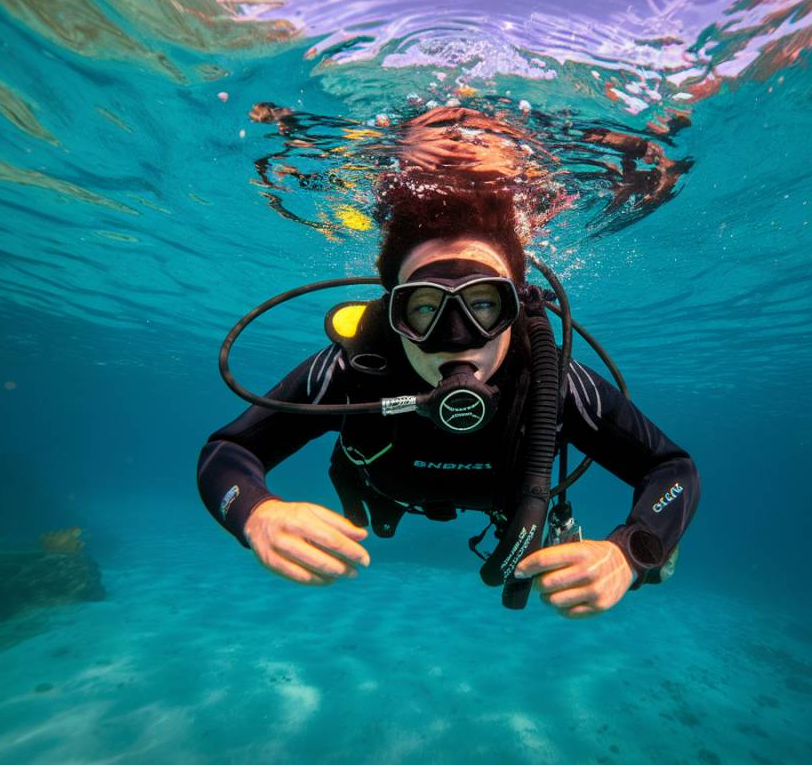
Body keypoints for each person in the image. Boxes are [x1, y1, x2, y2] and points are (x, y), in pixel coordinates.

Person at [197, 107, 700, 617]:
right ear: (394, 312)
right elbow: (228, 453)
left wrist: (632, 551)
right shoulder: (357, 366)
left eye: (483, 304)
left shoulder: (549, 376)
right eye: (425, 307)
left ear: (517, 306)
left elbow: (671, 469)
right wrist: (255, 514)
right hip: (382, 493)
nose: (458, 339)